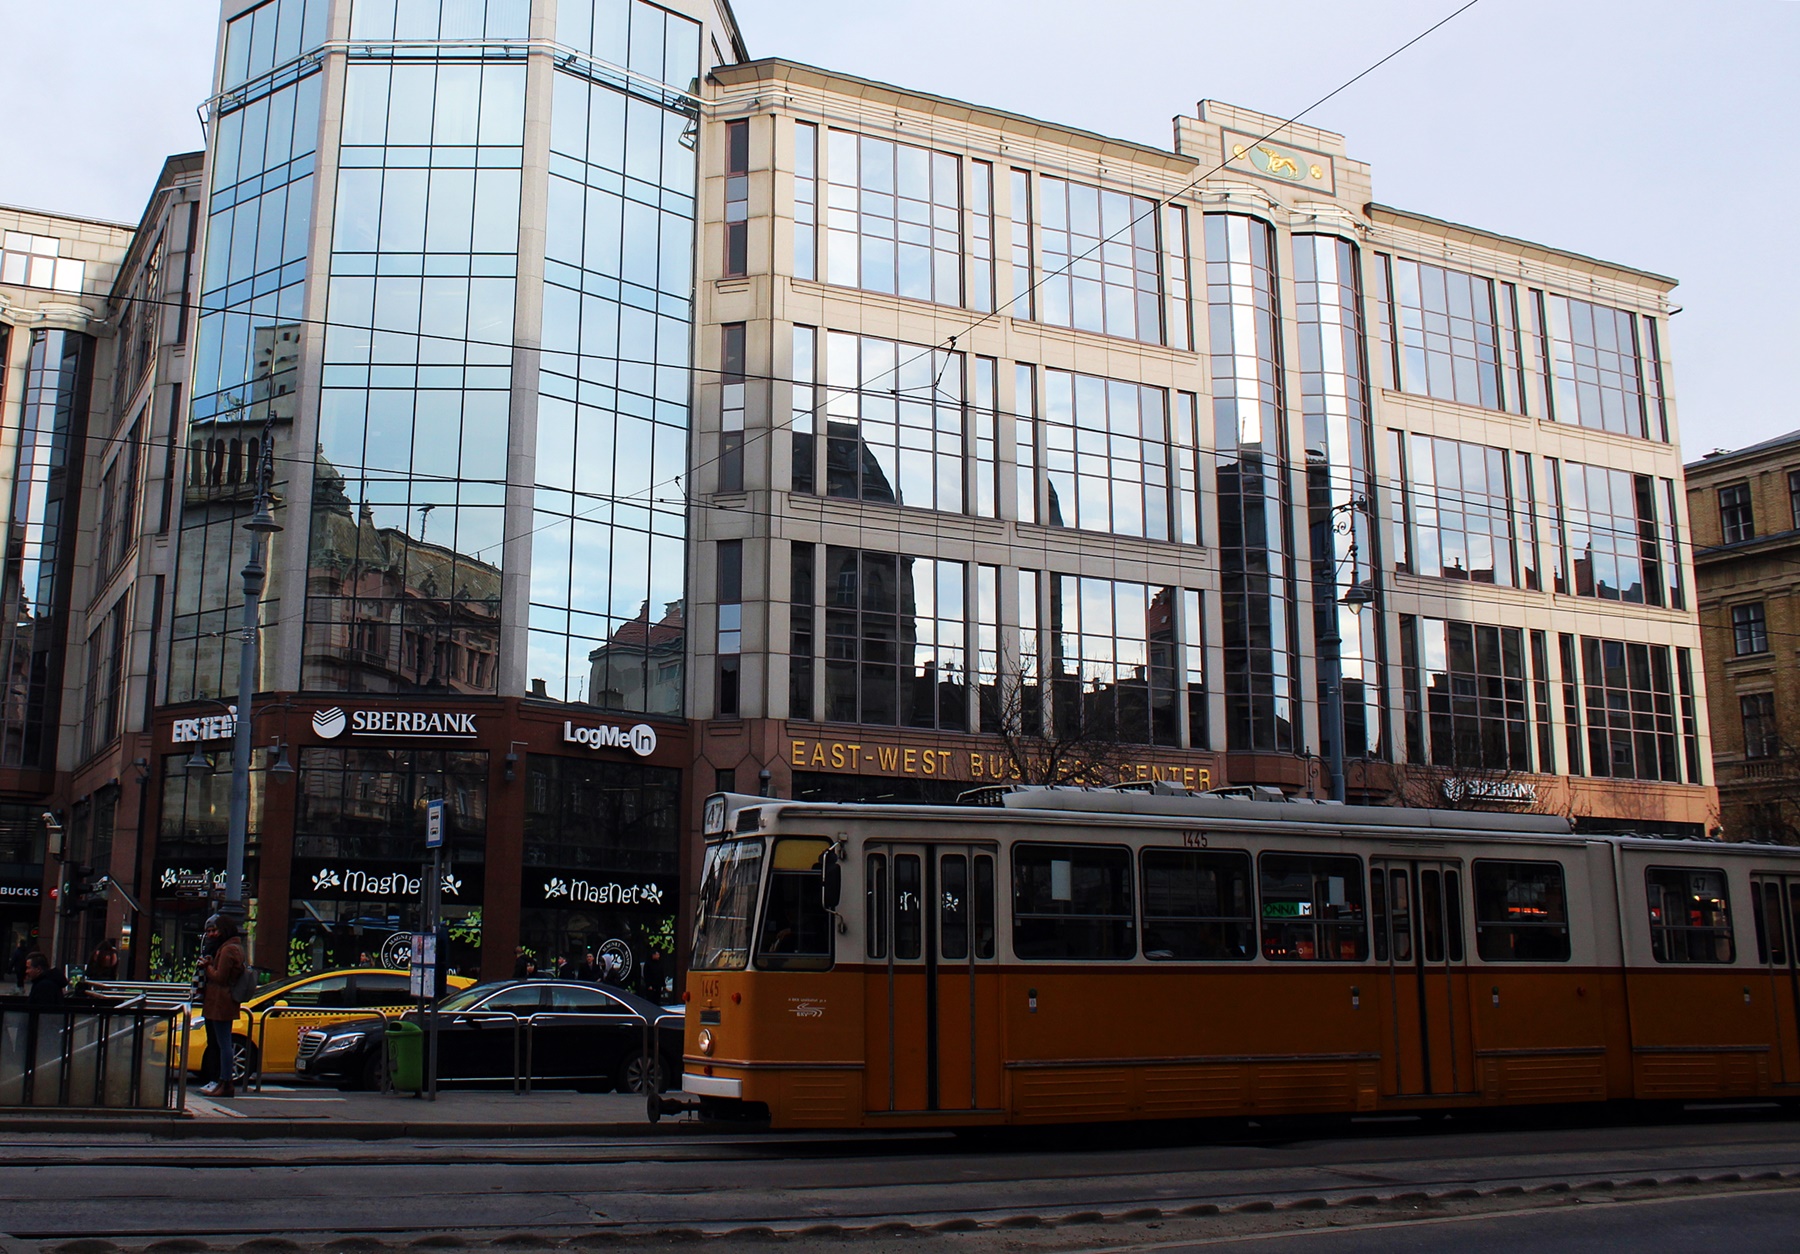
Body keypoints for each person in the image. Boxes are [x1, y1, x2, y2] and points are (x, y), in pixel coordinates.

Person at [197, 915, 247, 1098]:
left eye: (215, 930)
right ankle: (223, 1081)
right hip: (223, 1001)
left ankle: (226, 1082)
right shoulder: (235, 947)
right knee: (223, 1042)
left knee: (224, 1043)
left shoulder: (227, 950)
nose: (212, 934)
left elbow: (220, 977)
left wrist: (207, 966)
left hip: (221, 1001)